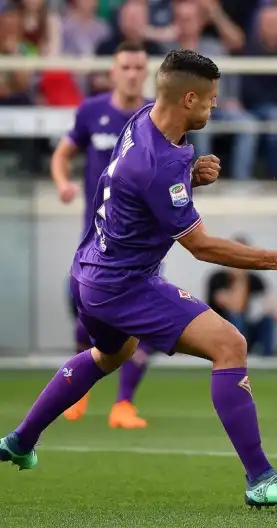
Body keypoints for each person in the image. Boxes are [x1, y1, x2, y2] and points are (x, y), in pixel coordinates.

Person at [1, 49, 277, 508]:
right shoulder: (159, 165)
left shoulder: (141, 120)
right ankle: (261, 477)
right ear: (189, 99)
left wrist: (189, 178)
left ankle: (20, 440)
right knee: (229, 345)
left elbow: (140, 192)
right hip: (125, 285)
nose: (214, 107)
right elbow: (203, 246)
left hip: (90, 273)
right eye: (211, 100)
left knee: (111, 354)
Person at [50, 40, 155, 429]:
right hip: (93, 237)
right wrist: (62, 183)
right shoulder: (91, 111)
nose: (131, 73)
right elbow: (62, 154)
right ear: (113, 72)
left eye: (138, 66)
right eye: (125, 66)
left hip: (140, 240)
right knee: (87, 319)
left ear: (146, 72)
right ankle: (79, 394)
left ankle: (123, 405)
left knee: (141, 320)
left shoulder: (152, 117)